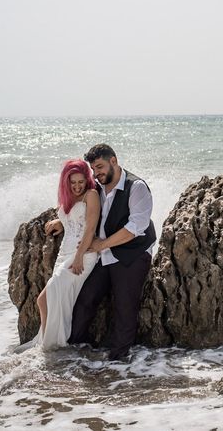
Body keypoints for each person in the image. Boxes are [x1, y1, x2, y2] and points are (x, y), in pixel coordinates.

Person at [59, 144, 157, 361]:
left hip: (132, 253)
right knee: (85, 299)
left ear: (114, 161)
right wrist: (61, 221)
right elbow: (81, 206)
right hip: (104, 254)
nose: (97, 173)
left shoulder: (137, 187)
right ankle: (76, 351)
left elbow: (134, 229)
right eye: (93, 169)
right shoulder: (98, 186)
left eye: (100, 167)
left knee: (124, 306)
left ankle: (118, 362)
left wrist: (101, 245)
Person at [35, 159, 100, 350]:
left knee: (45, 299)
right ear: (66, 182)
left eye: (81, 182)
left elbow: (90, 228)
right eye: (73, 183)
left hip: (83, 255)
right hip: (64, 254)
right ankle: (48, 343)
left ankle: (51, 346)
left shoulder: (92, 195)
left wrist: (79, 256)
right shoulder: (69, 198)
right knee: (50, 300)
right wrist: (59, 222)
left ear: (86, 180)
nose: (77, 186)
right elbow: (72, 218)